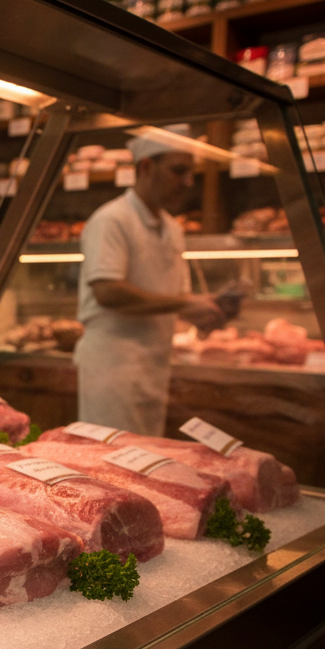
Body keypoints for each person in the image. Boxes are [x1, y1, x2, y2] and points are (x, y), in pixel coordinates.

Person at [72, 125, 226, 437]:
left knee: (147, 456)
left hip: (155, 367)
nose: (188, 182)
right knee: (112, 457)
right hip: (112, 370)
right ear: (146, 167)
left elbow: (173, 296)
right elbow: (107, 291)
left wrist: (203, 312)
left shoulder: (172, 228)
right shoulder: (112, 220)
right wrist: (185, 303)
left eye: (190, 172)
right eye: (178, 171)